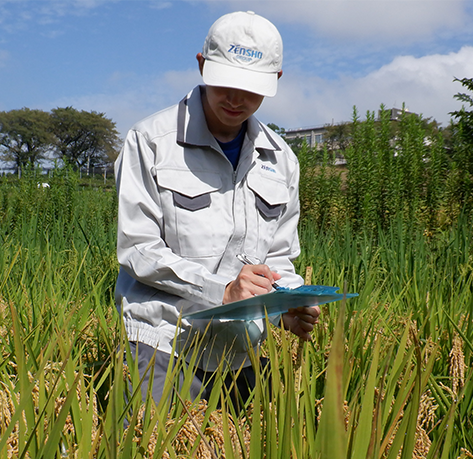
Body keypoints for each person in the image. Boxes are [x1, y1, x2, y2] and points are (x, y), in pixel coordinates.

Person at [114, 10, 320, 405]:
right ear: (202, 65)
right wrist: (221, 291)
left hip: (238, 349)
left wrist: (284, 309)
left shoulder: (281, 160)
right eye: (225, 82)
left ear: (275, 82)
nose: (236, 99)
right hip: (163, 344)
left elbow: (279, 259)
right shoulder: (151, 142)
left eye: (251, 88)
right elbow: (138, 250)